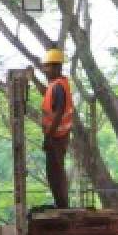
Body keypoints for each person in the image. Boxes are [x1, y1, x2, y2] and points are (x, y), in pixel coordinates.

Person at [40, 47, 74, 209]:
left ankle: (62, 205)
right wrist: (33, 79)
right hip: (58, 136)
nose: (45, 70)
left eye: (47, 66)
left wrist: (49, 136)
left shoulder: (58, 86)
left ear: (56, 67)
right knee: (54, 171)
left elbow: (59, 111)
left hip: (57, 137)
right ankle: (61, 204)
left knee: (55, 172)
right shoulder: (54, 85)